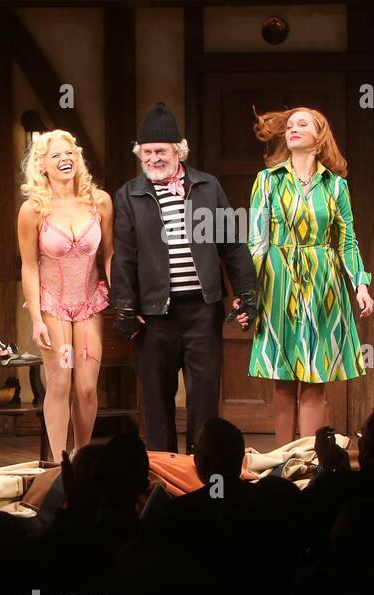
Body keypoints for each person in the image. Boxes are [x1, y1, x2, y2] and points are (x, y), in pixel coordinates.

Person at [110, 103, 257, 454]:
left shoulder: (207, 187)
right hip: (155, 315)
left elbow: (232, 243)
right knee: (157, 402)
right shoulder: (129, 194)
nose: (154, 158)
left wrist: (247, 292)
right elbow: (124, 255)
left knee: (204, 399)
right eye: (146, 152)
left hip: (201, 310)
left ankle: (202, 471)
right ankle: (163, 475)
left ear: (179, 150)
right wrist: (125, 306)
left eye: (161, 150)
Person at [248, 107, 374, 446]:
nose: (292, 129)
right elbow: (256, 240)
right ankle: (283, 461)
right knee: (283, 380)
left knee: (315, 377)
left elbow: (347, 240)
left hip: (323, 284)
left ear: (319, 137)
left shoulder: (335, 187)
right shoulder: (267, 180)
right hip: (278, 282)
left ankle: (309, 463)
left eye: (301, 124)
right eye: (289, 126)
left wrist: (360, 284)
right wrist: (249, 292)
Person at [18, 130, 113, 459]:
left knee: (86, 387)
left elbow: (110, 256)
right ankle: (59, 465)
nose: (65, 160)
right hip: (53, 304)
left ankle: (82, 457)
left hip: (89, 302)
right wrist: (35, 319)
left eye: (70, 153)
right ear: (42, 165)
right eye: (56, 155)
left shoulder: (99, 201)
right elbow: (29, 267)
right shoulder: (33, 210)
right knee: (60, 383)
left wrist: (123, 301)